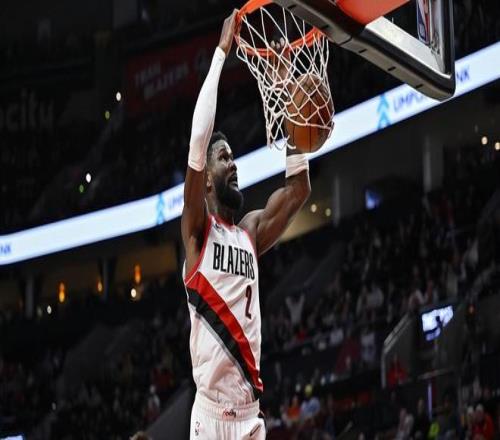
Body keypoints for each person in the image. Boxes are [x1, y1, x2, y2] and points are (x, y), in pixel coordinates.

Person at [181, 10, 312, 440]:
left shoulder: (250, 232)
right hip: (209, 416)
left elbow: (298, 189)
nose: (233, 164)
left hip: (250, 416)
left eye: (234, 156)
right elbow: (198, 143)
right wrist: (221, 54)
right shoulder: (197, 232)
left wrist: (289, 94)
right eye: (224, 158)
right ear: (206, 181)